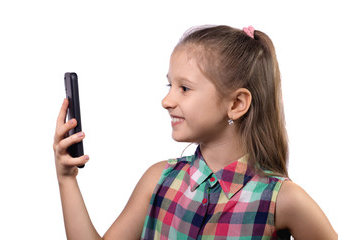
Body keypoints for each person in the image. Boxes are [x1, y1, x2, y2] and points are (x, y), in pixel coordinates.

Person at [53, 25, 337, 239]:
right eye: (170, 86)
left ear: (237, 104)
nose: (167, 101)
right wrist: (67, 179)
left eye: (184, 88)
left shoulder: (284, 200)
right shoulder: (158, 181)